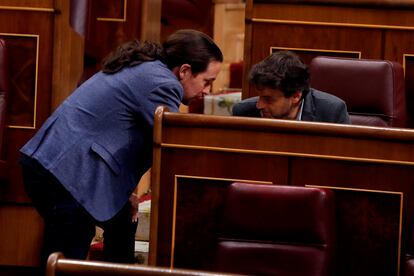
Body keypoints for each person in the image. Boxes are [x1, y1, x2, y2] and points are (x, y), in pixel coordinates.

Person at [19, 29, 223, 268]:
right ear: (185, 71)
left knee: (121, 222)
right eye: (207, 81)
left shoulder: (147, 69)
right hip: (66, 172)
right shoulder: (163, 83)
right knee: (67, 257)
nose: (207, 91)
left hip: (57, 165)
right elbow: (175, 147)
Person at [232, 51, 350, 123]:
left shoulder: (332, 112)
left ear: (296, 96)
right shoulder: (244, 112)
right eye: (260, 97)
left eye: (268, 99)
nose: (259, 105)